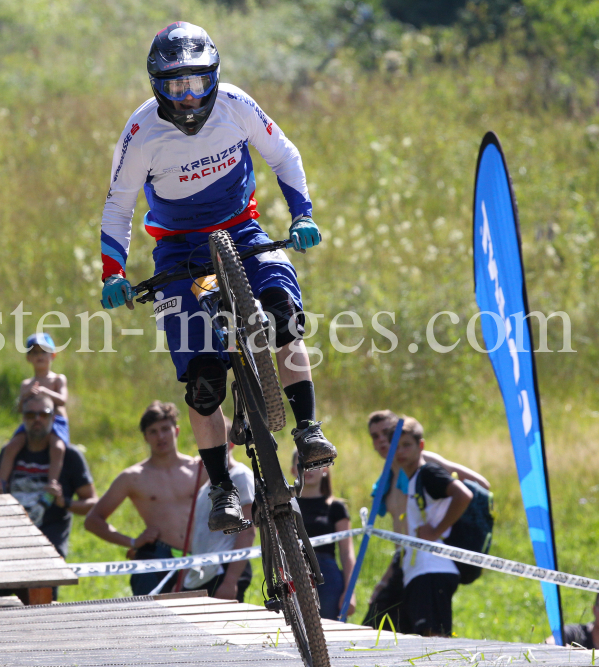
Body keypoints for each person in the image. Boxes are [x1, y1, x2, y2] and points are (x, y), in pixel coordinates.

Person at [97, 22, 336, 535]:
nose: (188, 98)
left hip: (243, 232)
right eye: (175, 86)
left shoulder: (235, 105)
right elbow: (118, 205)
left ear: (215, 78)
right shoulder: (141, 132)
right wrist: (113, 271)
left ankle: (308, 428)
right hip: (178, 252)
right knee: (203, 382)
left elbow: (284, 155)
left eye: (197, 83)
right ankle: (223, 487)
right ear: (156, 86)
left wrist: (301, 216)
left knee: (286, 318)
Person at [363, 410, 489, 630]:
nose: (382, 440)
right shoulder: (391, 476)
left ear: (418, 445)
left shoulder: (425, 466)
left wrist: (440, 527)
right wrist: (385, 579)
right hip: (406, 563)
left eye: (386, 433)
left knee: (431, 637)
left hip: (430, 563)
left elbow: (476, 488)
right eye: (376, 436)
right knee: (380, 629)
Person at [85, 401, 201, 595]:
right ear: (145, 438)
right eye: (153, 431)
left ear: (177, 431)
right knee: (152, 621)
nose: (160, 436)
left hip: (201, 557)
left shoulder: (198, 469)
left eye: (165, 429)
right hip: (157, 557)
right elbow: (93, 521)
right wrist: (132, 542)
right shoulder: (133, 477)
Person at [0, 394, 97, 559]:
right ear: (22, 418)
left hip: (49, 550)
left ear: (53, 418)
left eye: (43, 414)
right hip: (9, 546)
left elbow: (91, 503)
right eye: (30, 415)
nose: (37, 419)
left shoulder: (70, 456)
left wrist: (65, 502)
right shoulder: (10, 451)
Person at [0, 333, 69, 488]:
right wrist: (27, 396)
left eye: (43, 352)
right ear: (28, 358)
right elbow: (21, 408)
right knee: (11, 446)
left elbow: (62, 400)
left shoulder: (57, 379)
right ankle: (0, 481)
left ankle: (52, 482)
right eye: (34, 352)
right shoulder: (26, 384)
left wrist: (44, 391)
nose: (39, 356)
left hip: (56, 422)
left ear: (53, 355)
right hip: (32, 422)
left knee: (57, 447)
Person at [183, 441, 255, 601]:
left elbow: (248, 531)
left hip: (224, 571)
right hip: (201, 575)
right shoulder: (205, 487)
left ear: (230, 444)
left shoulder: (240, 475)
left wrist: (230, 581)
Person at [290, 449, 356, 620]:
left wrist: (350, 592)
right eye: (302, 463)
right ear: (292, 470)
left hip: (328, 577)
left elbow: (347, 552)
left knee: (331, 632)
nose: (308, 469)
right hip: (293, 572)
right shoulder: (286, 507)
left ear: (325, 469)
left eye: (313, 464)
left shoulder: (336, 508)